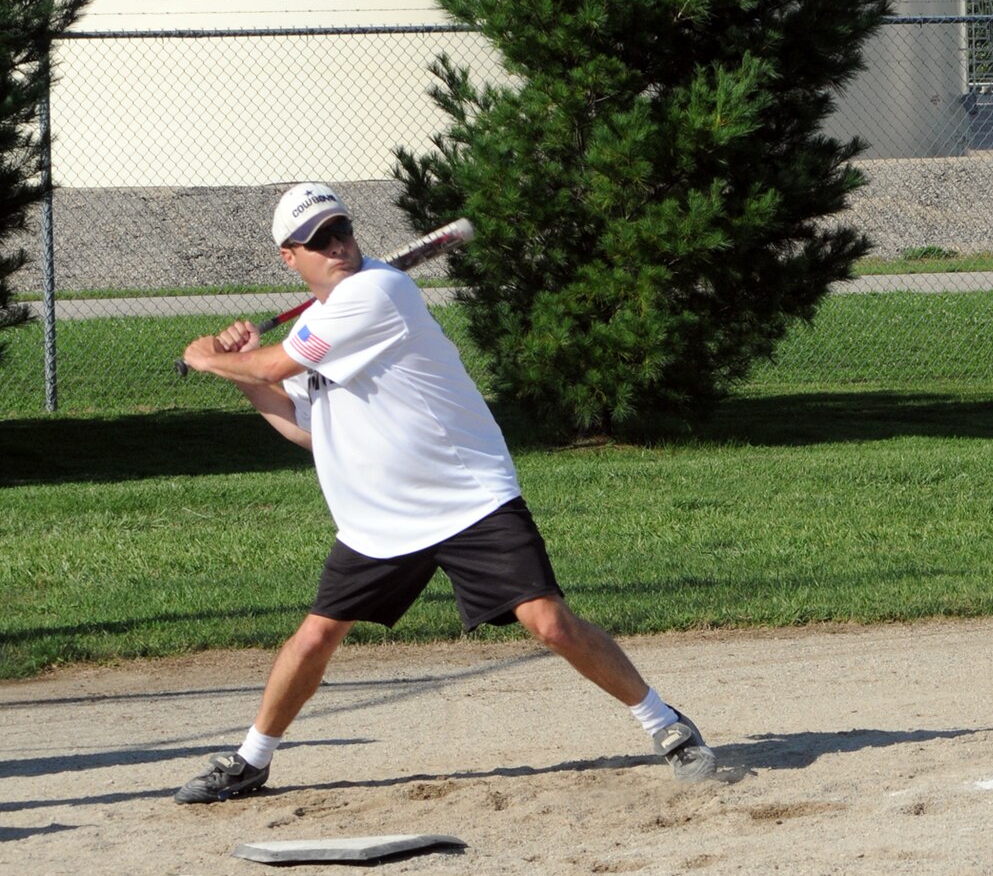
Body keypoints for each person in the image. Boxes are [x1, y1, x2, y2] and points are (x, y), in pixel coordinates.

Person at [173, 183, 716, 803]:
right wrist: (241, 373)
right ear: (289, 257)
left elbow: (273, 367)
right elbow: (305, 428)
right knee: (317, 636)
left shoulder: (379, 292)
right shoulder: (323, 325)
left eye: (342, 229)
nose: (338, 245)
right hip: (380, 519)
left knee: (549, 623)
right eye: (318, 240)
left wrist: (211, 359)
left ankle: (666, 725)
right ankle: (251, 761)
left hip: (466, 498)